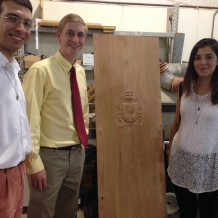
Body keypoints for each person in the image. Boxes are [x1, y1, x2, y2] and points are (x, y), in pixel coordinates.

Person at [22, 13, 89, 218]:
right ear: (59, 35)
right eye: (70, 33)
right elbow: (29, 120)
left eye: (80, 35)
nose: (75, 40)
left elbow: (82, 113)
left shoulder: (79, 71)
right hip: (50, 157)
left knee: (68, 212)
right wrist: (34, 163)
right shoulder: (40, 71)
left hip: (76, 154)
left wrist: (82, 147)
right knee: (42, 212)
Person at [168, 38, 218, 218]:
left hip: (211, 164)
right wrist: (169, 155)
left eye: (209, 57)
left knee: (209, 212)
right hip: (182, 160)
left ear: (217, 60)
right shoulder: (184, 87)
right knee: (186, 211)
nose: (202, 62)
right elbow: (176, 123)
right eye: (197, 58)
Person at [0, 0, 33, 218]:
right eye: (12, 18)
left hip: (17, 172)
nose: (21, 28)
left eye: (27, 23)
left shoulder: (12, 68)